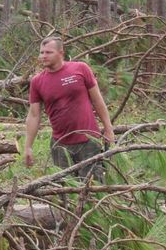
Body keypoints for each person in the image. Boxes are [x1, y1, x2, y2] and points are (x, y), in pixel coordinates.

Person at [23, 35, 114, 179]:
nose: (43, 56)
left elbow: (97, 100)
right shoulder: (37, 81)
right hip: (60, 145)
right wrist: (28, 147)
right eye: (41, 52)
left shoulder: (80, 69)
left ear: (61, 53)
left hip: (89, 141)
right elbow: (34, 115)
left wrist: (108, 128)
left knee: (93, 188)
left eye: (48, 52)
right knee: (64, 192)